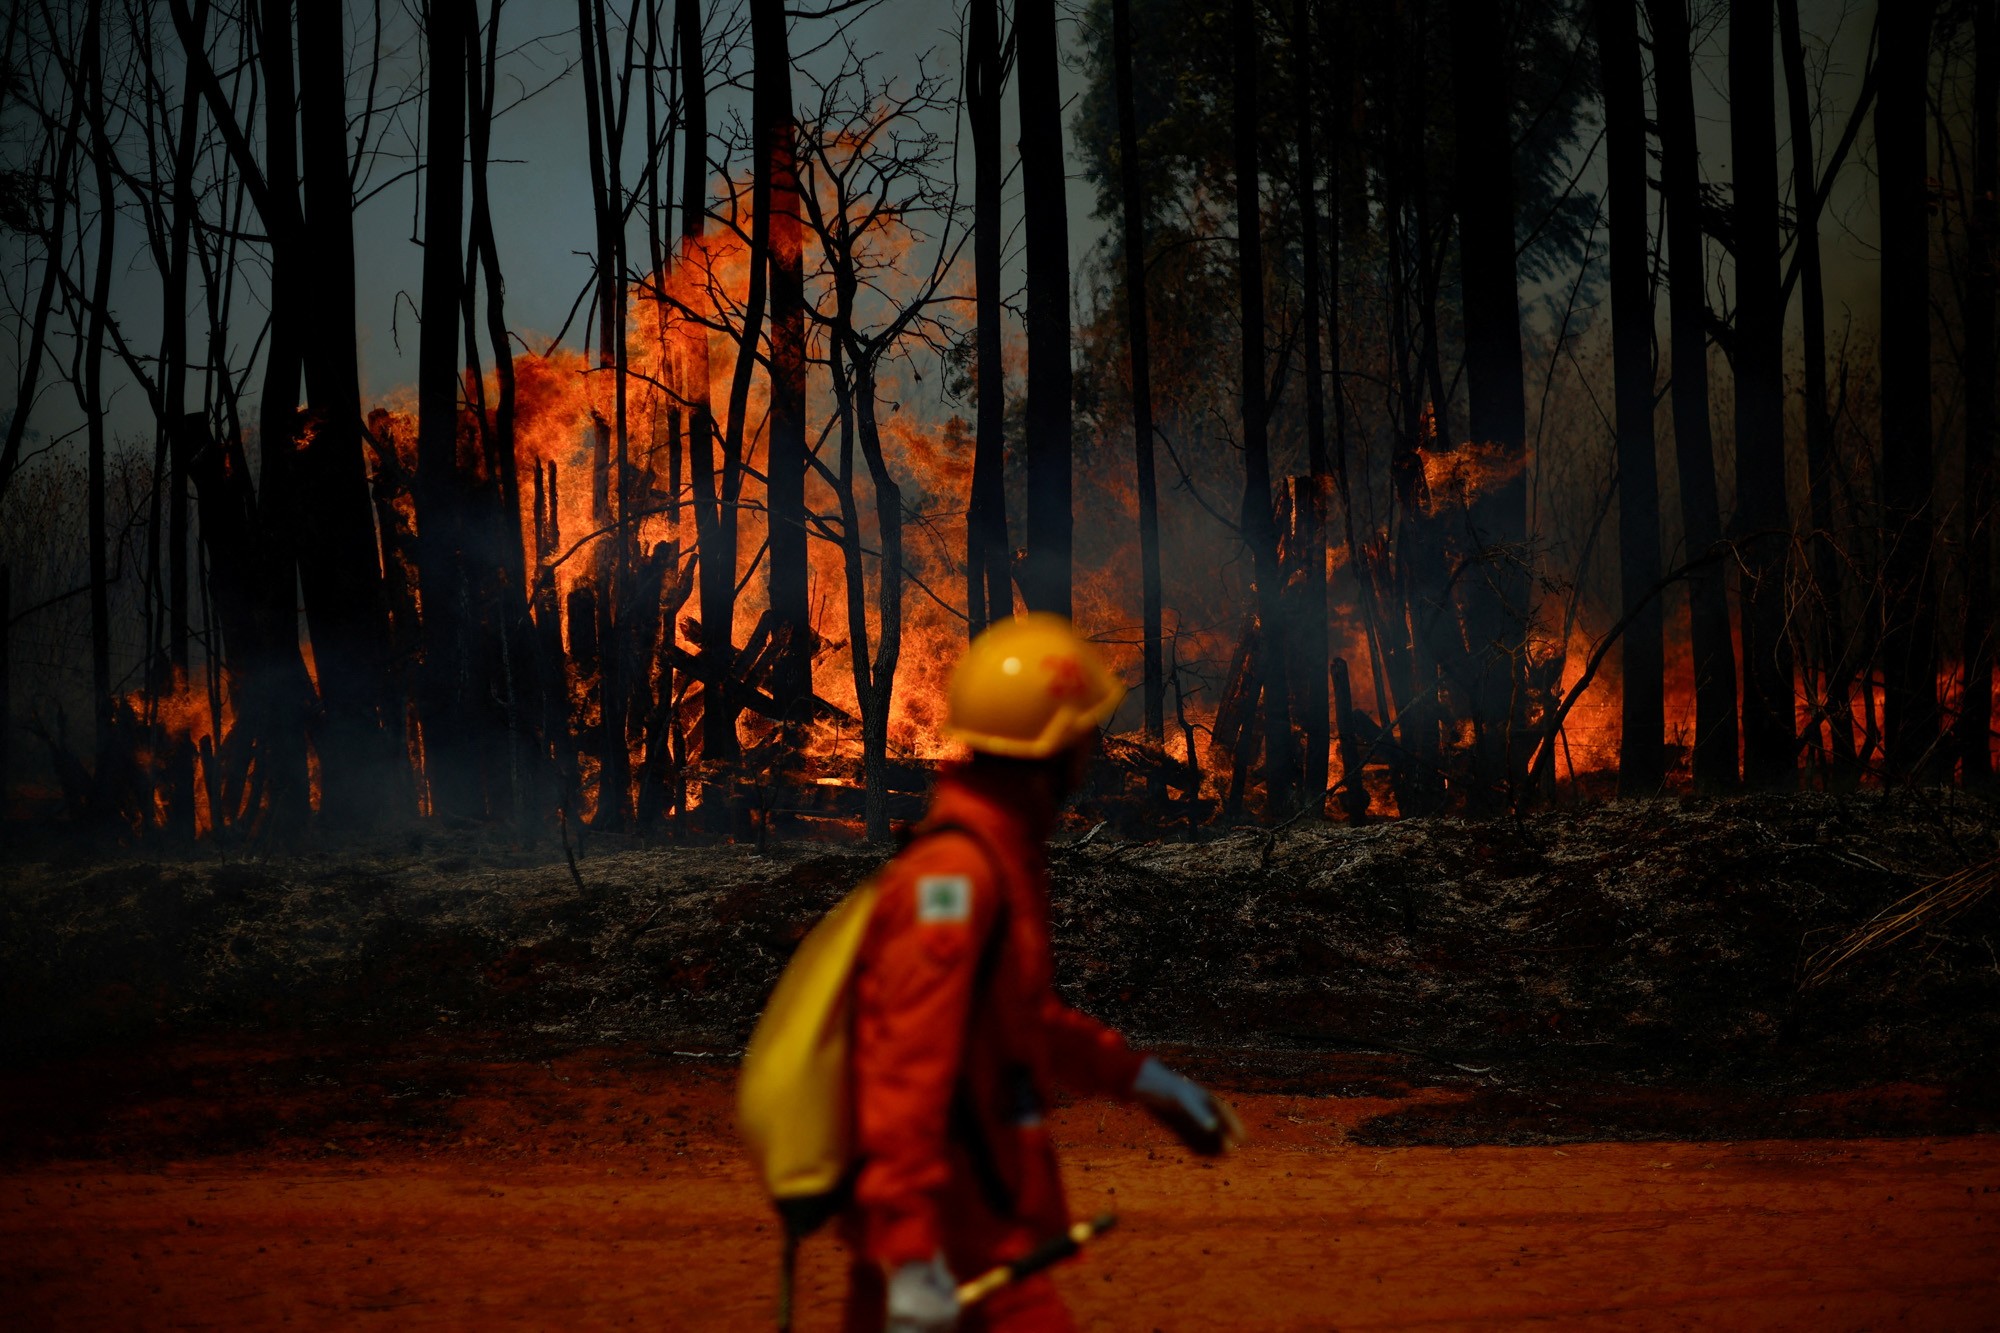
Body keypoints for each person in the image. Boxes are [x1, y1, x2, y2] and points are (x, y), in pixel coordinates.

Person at [844, 613, 1239, 1333]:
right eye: (1084, 735)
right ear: (1051, 749)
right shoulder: (956, 879)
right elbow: (904, 1067)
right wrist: (909, 1258)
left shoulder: (999, 855)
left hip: (983, 1233)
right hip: (951, 1252)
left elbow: (1015, 1018)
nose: (1095, 753)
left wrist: (1144, 1082)